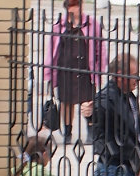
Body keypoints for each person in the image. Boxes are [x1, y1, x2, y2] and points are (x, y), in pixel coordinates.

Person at [43, 0, 107, 144]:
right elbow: (51, 51)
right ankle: (67, 132)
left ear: (80, 6)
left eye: (74, 6)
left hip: (85, 70)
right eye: (69, 6)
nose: (72, 10)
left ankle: (91, 130)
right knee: (66, 102)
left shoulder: (92, 24)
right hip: (65, 70)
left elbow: (100, 47)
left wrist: (100, 69)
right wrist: (49, 73)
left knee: (88, 101)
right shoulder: (59, 25)